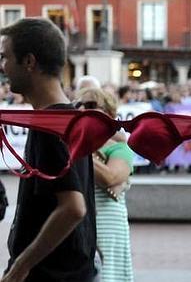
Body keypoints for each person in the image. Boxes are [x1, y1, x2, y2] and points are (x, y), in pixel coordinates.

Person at [0, 17, 96, 282]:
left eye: (5, 57)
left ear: (29, 62)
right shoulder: (71, 117)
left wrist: (20, 268)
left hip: (51, 276)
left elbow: (73, 208)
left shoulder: (50, 127)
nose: (3, 66)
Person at [75, 88, 134, 282]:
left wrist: (78, 150)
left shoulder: (119, 147)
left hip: (107, 225)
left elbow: (111, 178)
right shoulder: (72, 145)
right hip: (79, 224)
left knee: (108, 275)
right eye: (78, 105)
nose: (83, 109)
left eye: (91, 106)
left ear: (109, 114)